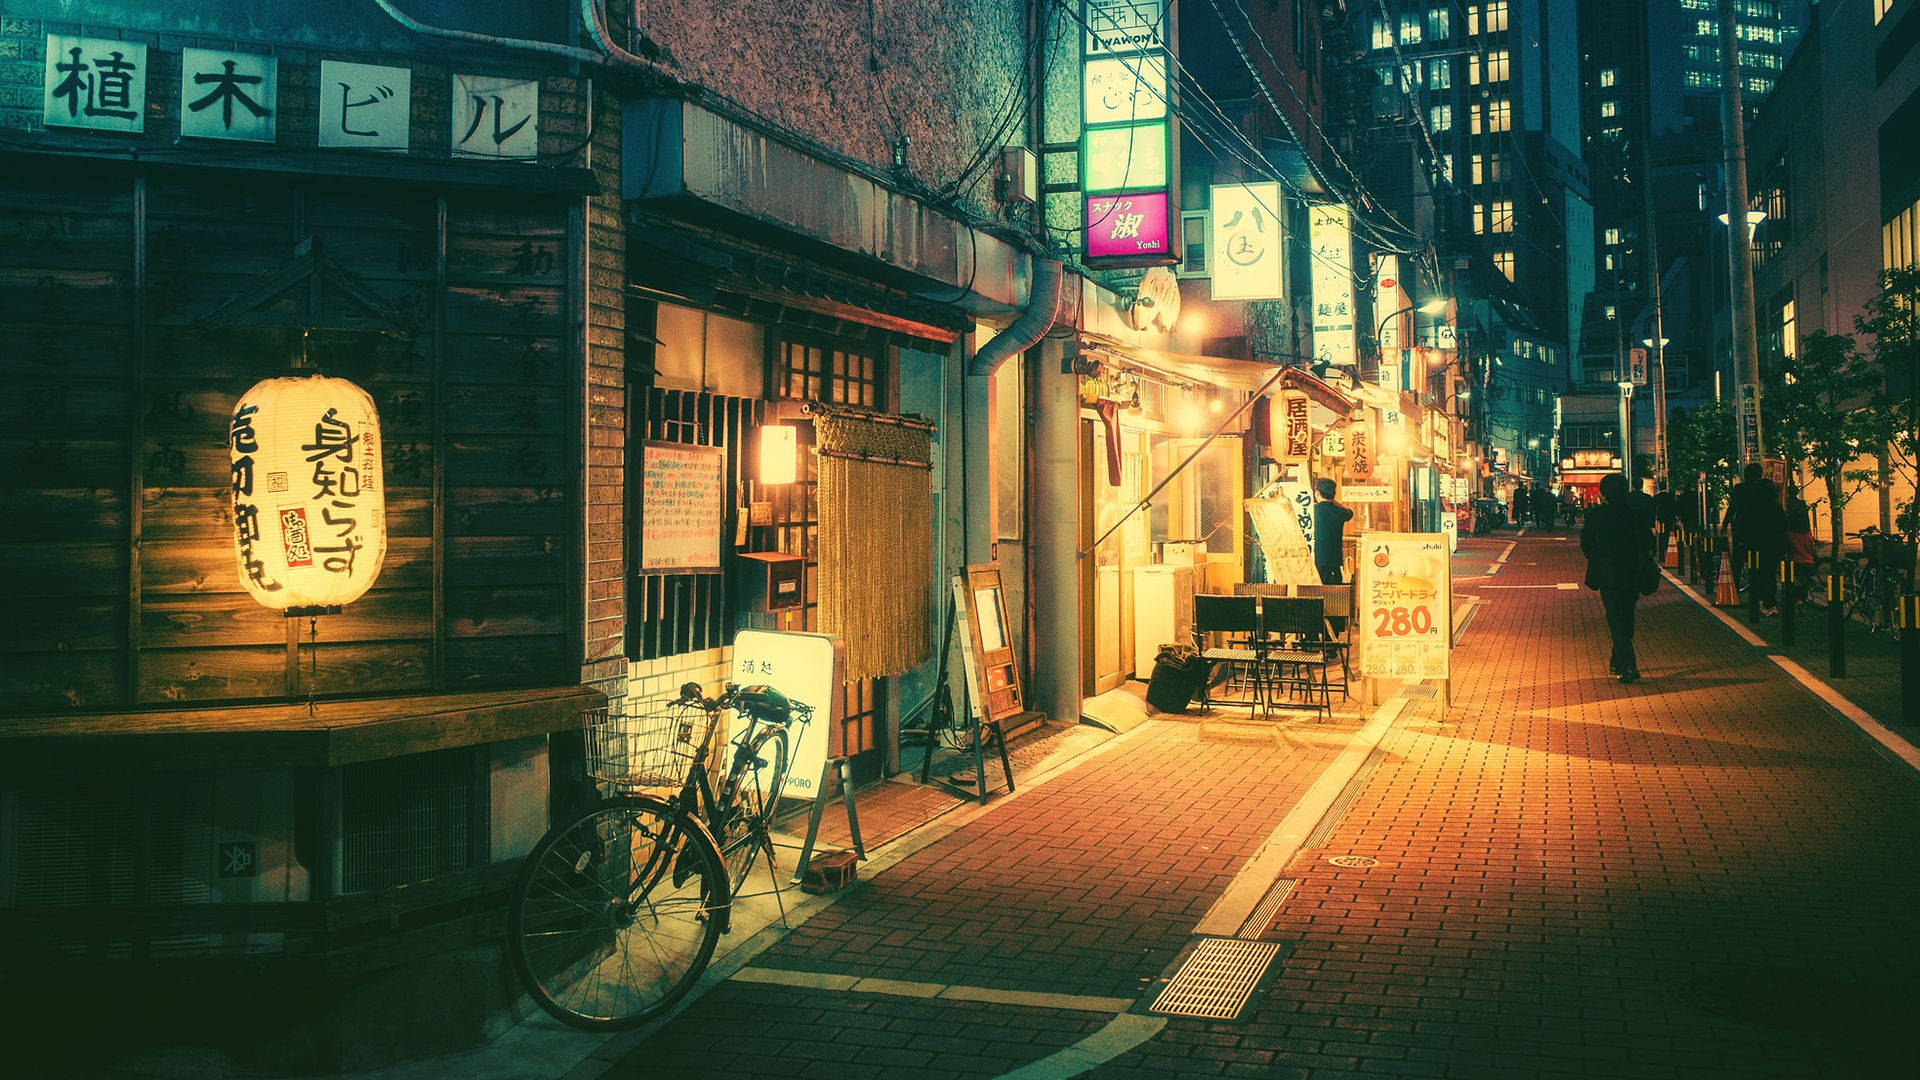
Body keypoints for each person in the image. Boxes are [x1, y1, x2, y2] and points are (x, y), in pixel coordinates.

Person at [1582, 473, 1658, 683]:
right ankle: (1621, 659)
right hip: (1632, 571)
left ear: (1603, 492)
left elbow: (1586, 542)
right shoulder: (1633, 514)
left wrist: (1598, 556)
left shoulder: (1597, 515)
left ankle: (1626, 664)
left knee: (1615, 616)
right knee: (1626, 615)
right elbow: (1648, 541)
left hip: (1608, 573)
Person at [1725, 463, 1787, 615]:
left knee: (1740, 565)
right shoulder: (1775, 506)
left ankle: (1737, 594)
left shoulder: (1744, 493)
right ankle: (1769, 602)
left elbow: (1735, 510)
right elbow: (1784, 526)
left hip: (1749, 540)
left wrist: (1727, 525)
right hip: (1771, 545)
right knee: (1768, 573)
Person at [1312, 477, 1354, 585]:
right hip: (1334, 562)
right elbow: (1350, 512)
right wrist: (1335, 502)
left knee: (1316, 593)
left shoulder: (1312, 511)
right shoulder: (1340, 512)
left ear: (1317, 492)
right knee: (1335, 595)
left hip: (1316, 560)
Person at [1785, 490, 1816, 607]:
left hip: (1796, 561)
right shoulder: (1808, 535)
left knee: (1796, 582)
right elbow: (1812, 549)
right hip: (1808, 563)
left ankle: (1797, 600)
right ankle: (1802, 599)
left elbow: (1788, 548)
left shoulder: (1791, 534)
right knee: (1804, 583)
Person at [1651, 484, 1679, 564]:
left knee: (1660, 535)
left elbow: (1654, 509)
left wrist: (1654, 519)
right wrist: (1675, 517)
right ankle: (1667, 547)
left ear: (1659, 488)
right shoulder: (1670, 496)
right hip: (1669, 518)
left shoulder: (1657, 497)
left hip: (1661, 519)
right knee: (1668, 534)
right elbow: (1674, 507)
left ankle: (1661, 554)